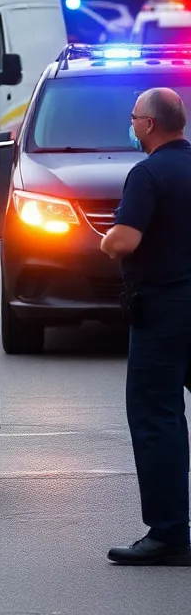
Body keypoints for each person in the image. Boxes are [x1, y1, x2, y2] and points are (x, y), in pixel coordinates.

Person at [101, 87, 191, 566]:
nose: (131, 125)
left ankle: (170, 534)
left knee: (157, 418)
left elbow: (124, 241)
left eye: (134, 118)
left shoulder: (149, 173)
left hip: (164, 310)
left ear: (150, 124)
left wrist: (107, 239)